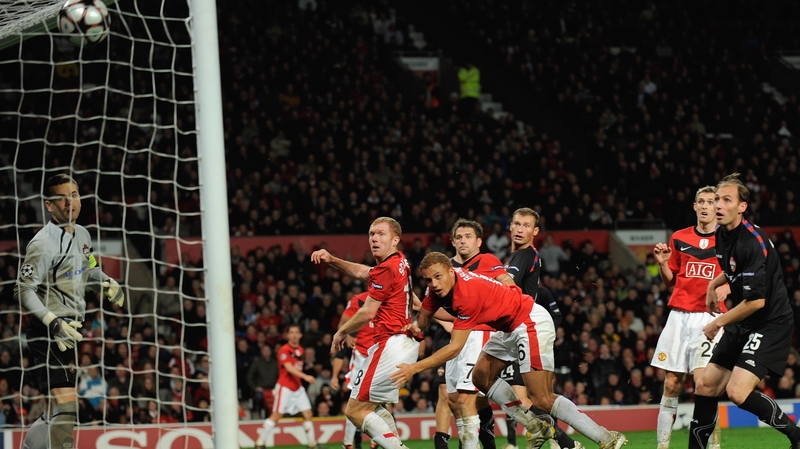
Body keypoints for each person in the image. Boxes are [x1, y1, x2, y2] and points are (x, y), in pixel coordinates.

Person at [391, 253, 627, 449]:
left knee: (541, 398)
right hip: (507, 327)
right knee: (480, 376)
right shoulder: (438, 290)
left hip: (529, 321)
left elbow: (454, 348)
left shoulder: (467, 295)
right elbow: (423, 319)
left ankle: (606, 438)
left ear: (451, 271)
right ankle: (536, 426)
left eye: (437, 277)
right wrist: (413, 329)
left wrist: (415, 367)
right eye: (428, 280)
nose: (433, 284)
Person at [688, 173, 800, 449]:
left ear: (742, 206)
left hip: (769, 322)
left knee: (737, 391)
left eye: (726, 200)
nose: (718, 206)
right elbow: (732, 269)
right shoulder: (721, 233)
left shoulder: (752, 241)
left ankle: (796, 435)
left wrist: (717, 324)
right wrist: (714, 284)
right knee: (705, 386)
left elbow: (756, 301)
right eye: (716, 200)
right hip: (744, 320)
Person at [15, 173, 125, 449]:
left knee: (60, 410)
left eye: (73, 195)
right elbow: (22, 290)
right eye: (61, 198)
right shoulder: (42, 244)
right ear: (49, 205)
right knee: (66, 408)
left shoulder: (84, 234)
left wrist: (107, 281)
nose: (69, 202)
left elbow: (88, 267)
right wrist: (52, 322)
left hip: (71, 331)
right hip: (48, 330)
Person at [312, 217, 419, 449]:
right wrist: (331, 259)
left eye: (381, 234)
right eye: (371, 234)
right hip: (403, 343)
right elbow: (363, 272)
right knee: (375, 408)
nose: (374, 238)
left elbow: (368, 312)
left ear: (395, 240)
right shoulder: (399, 261)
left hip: (390, 344)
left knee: (354, 410)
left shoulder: (387, 268)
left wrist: (340, 332)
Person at [651, 186, 726, 449]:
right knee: (671, 384)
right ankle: (663, 446)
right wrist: (662, 263)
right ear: (694, 206)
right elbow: (669, 281)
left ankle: (713, 445)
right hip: (678, 318)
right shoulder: (679, 238)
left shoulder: (728, 240)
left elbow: (736, 278)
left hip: (709, 319)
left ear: (717, 208)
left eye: (710, 202)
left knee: (705, 386)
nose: (705, 206)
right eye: (701, 202)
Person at [433, 219, 515, 449]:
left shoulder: (488, 260)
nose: (462, 241)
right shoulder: (446, 268)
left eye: (468, 236)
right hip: (455, 336)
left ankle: (479, 445)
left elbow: (508, 285)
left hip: (480, 333)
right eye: (458, 237)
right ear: (452, 241)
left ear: (479, 241)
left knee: (469, 397)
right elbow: (434, 304)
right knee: (452, 399)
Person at [503, 208, 576, 449]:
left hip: (521, 331)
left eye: (526, 225)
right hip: (519, 331)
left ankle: (564, 441)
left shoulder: (523, 256)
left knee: (527, 398)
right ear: (510, 227)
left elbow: (505, 286)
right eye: (517, 224)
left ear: (535, 231)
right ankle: (558, 441)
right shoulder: (518, 256)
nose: (520, 229)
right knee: (536, 398)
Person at [255, 324, 320, 449]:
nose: (294, 335)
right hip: (285, 387)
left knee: (307, 413)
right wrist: (305, 376)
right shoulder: (284, 350)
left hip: (297, 388)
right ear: (288, 335)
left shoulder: (300, 350)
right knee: (277, 415)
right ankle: (259, 443)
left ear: (300, 335)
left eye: (297, 332)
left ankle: (312, 444)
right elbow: (289, 368)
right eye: (291, 332)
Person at [331, 291, 375, 449]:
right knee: (355, 401)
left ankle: (374, 440)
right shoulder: (359, 300)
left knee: (380, 400)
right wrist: (346, 333)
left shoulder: (390, 299)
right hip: (361, 357)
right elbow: (341, 326)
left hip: (381, 354)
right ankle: (348, 443)